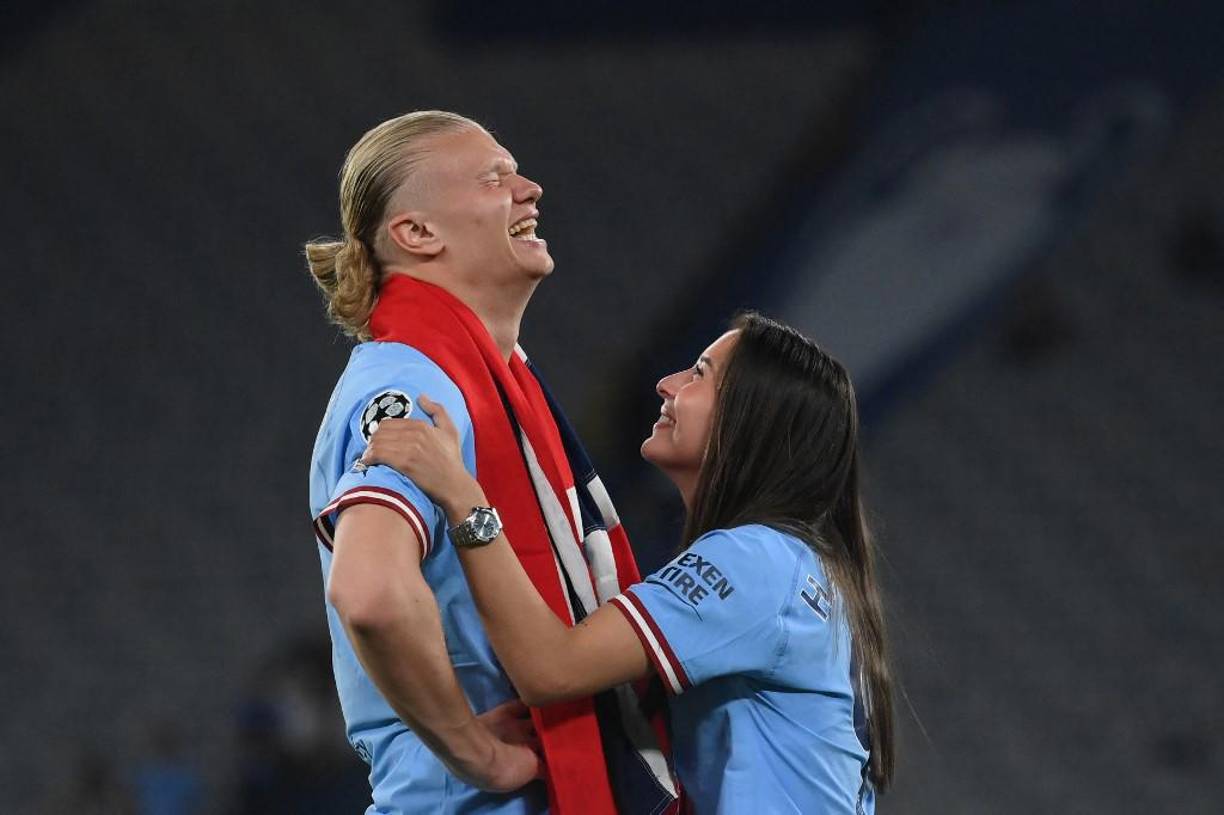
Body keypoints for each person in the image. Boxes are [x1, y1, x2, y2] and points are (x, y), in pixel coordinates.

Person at [362, 312, 897, 814]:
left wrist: (463, 498)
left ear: (750, 419)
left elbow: (550, 668)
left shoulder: (758, 560)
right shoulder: (802, 572)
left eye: (700, 374)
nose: (668, 383)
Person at [304, 111, 673, 815]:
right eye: (495, 177)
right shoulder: (412, 386)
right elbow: (369, 592)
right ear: (417, 233)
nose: (530, 189)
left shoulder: (488, 383)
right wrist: (481, 755)